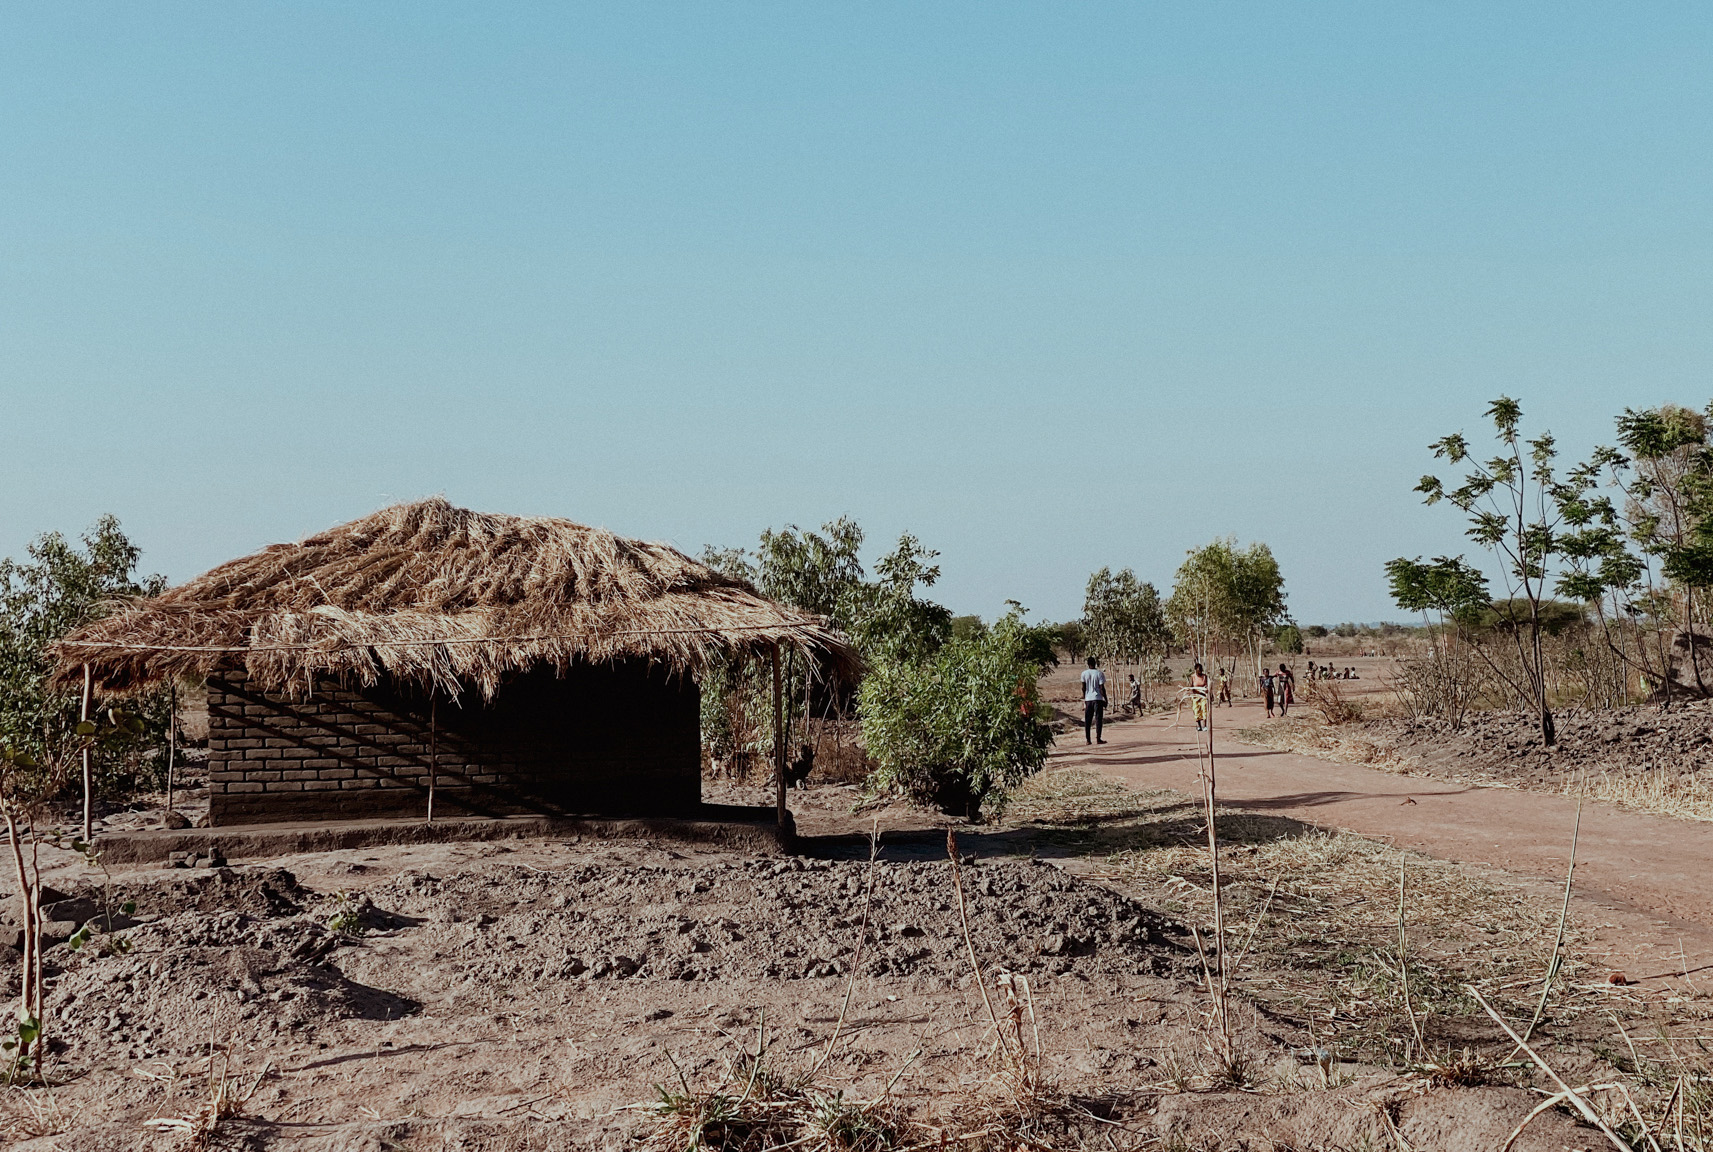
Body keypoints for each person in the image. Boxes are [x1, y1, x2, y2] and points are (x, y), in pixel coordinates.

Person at [1081, 656, 1107, 745]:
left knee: (1088, 720)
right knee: (1098, 719)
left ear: (1088, 664)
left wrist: (1084, 698)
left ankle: (1088, 740)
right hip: (1098, 699)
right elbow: (1102, 688)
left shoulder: (1084, 673)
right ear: (1095, 663)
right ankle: (1098, 738)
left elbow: (1083, 688)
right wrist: (1105, 699)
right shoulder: (1099, 673)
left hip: (1088, 699)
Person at [1189, 662, 1210, 731]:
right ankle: (1198, 725)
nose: (1199, 672)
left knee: (1204, 709)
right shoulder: (1193, 677)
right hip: (1195, 696)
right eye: (1198, 671)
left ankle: (1204, 726)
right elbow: (1191, 686)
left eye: (1200, 671)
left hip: (1203, 696)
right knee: (1196, 710)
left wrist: (1207, 691)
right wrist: (1192, 694)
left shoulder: (1204, 677)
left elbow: (1207, 685)